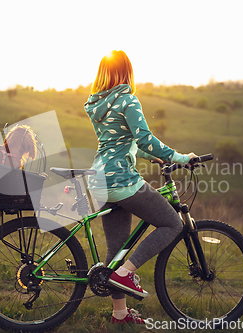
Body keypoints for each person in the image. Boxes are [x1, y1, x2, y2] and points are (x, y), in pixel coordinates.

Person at [84, 50, 198, 325]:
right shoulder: (128, 100)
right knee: (172, 224)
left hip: (99, 180)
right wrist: (180, 157)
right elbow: (143, 138)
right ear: (127, 73)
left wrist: (152, 157)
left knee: (117, 251)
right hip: (121, 180)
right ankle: (126, 274)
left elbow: (119, 141)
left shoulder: (97, 104)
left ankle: (120, 314)